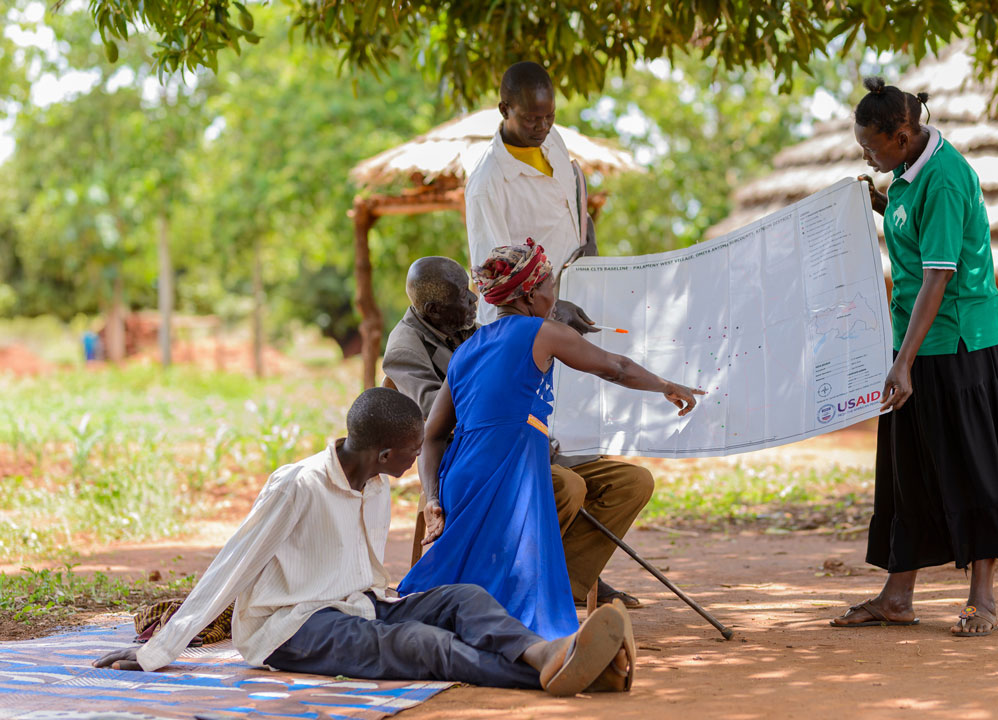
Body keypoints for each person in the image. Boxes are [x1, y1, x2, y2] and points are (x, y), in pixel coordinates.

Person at [92, 387, 635, 696]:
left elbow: (367, 578)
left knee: (463, 598)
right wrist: (157, 651)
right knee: (422, 647)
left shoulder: (374, 486)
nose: (417, 458)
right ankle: (561, 675)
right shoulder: (296, 485)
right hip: (293, 626)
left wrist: (403, 604)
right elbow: (231, 568)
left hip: (360, 606)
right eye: (410, 451)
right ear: (381, 455)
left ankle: (546, 653)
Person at [396, 241, 702, 639]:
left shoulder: (468, 348)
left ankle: (547, 591)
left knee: (473, 593)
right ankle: (527, 610)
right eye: (550, 289)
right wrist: (666, 385)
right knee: (524, 610)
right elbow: (616, 368)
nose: (553, 298)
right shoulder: (543, 333)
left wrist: (436, 496)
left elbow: (434, 436)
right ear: (529, 295)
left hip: (465, 476)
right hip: (508, 470)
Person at [829, 78, 998, 637]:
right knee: (906, 472)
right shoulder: (906, 176)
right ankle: (897, 597)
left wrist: (903, 363)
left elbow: (940, 275)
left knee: (973, 467)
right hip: (913, 344)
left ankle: (983, 601)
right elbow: (913, 242)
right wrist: (877, 201)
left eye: (872, 146)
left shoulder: (943, 178)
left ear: (902, 134)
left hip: (955, 346)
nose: (866, 155)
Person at [462, 60, 660, 609]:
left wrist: (592, 268)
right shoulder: (488, 184)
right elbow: (491, 275)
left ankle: (579, 570)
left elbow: (578, 220)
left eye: (549, 116)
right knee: (551, 462)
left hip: (567, 308)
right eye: (530, 119)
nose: (542, 127)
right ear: (504, 111)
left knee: (580, 445)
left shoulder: (559, 147)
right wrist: (548, 308)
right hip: (523, 329)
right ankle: (540, 576)